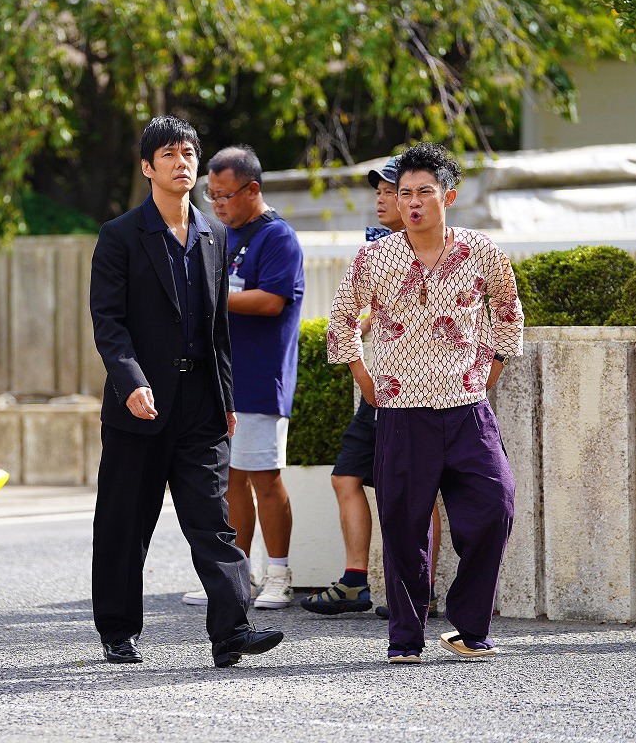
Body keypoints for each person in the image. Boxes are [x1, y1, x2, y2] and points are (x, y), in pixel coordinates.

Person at [89, 116, 283, 668]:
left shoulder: (214, 235)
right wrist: (131, 382)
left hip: (200, 401)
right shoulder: (120, 236)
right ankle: (119, 631)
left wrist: (226, 400)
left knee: (212, 521)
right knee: (126, 523)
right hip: (139, 407)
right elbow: (109, 324)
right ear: (148, 168)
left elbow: (218, 328)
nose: (182, 162)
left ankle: (232, 632)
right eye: (169, 154)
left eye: (189, 153)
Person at [327, 142, 522, 664]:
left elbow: (508, 310)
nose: (411, 203)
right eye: (404, 193)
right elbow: (342, 318)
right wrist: (364, 377)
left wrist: (491, 367)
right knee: (404, 525)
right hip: (400, 412)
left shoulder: (481, 250)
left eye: (423, 192)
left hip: (467, 409)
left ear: (448, 196)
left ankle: (468, 627)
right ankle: (405, 640)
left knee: (495, 507)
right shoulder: (376, 257)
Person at [302, 156, 443, 619]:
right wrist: (363, 375)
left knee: (422, 490)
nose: (384, 200)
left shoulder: (442, 247)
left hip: (424, 392)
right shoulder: (375, 245)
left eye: (393, 191)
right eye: (384, 192)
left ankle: (421, 592)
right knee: (346, 476)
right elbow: (355, 313)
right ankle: (355, 582)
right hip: (378, 391)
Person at [180, 146, 304, 610]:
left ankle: (279, 573)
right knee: (229, 478)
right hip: (220, 379)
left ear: (253, 189)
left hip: (259, 378)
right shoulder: (219, 234)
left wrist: (208, 296)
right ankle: (240, 572)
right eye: (210, 196)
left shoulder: (278, 237)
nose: (217, 204)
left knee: (264, 478)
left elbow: (272, 300)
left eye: (225, 195)